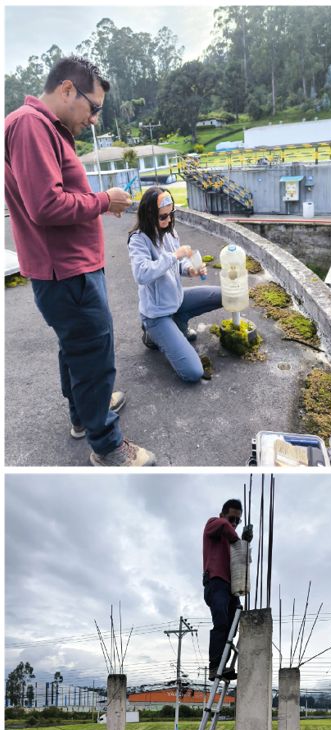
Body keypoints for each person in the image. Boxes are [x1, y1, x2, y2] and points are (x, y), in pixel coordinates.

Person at [4, 56, 155, 467]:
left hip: (69, 270)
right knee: (94, 355)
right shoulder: (30, 125)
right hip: (67, 273)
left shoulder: (43, 127)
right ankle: (107, 444)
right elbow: (45, 205)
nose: (94, 120)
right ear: (68, 90)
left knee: (77, 350)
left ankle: (82, 415)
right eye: (94, 108)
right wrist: (105, 201)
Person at [128, 187, 224, 382]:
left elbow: (178, 263)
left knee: (226, 294)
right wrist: (175, 255)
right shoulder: (138, 239)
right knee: (193, 373)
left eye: (171, 214)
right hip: (156, 314)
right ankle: (152, 335)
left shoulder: (170, 232)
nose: (169, 220)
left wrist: (190, 269)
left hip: (176, 299)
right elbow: (142, 274)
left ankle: (178, 325)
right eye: (163, 217)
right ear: (149, 214)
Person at [203, 500, 254, 681]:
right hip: (216, 582)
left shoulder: (232, 540)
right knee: (222, 622)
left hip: (230, 587)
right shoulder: (214, 524)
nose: (234, 523)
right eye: (231, 518)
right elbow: (224, 526)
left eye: (237, 521)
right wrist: (239, 539)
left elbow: (243, 561)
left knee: (232, 626)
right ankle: (215, 666)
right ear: (222, 514)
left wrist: (245, 543)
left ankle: (223, 663)